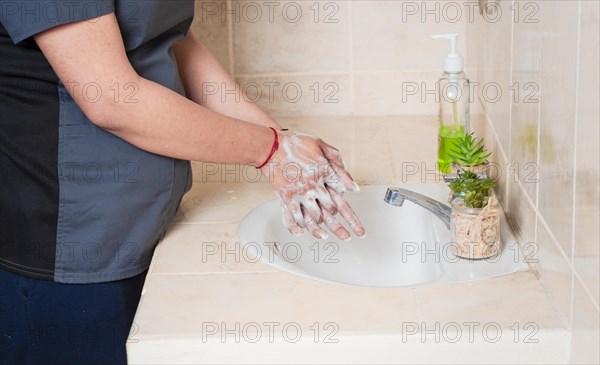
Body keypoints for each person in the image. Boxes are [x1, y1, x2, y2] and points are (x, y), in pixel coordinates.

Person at [0, 1, 365, 364]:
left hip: (143, 225)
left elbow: (175, 40)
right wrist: (270, 151)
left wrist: (280, 142)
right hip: (70, 248)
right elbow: (111, 98)